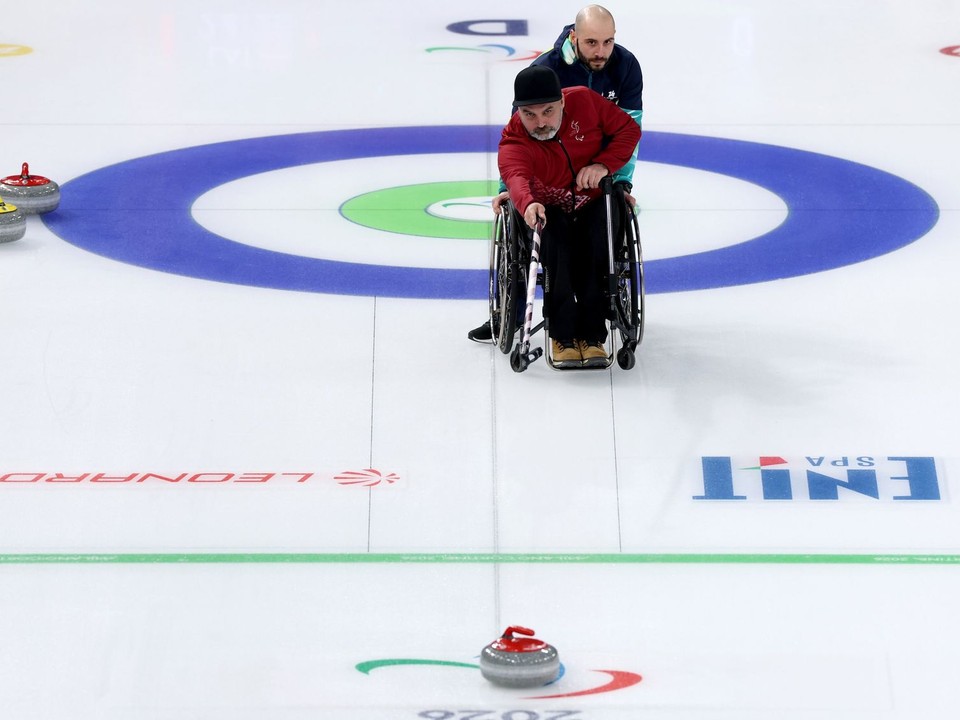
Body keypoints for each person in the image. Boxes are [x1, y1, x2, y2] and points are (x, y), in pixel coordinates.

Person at [469, 5, 643, 342]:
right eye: (592, 43)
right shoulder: (544, 72)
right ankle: (511, 313)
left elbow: (630, 127)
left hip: (596, 171)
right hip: (549, 182)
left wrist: (617, 179)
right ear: (574, 37)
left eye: (608, 42)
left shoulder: (624, 67)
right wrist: (515, 194)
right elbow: (519, 143)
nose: (601, 52)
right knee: (544, 239)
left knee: (603, 230)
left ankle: (599, 319)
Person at [497, 65, 641, 367]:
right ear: (518, 111)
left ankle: (593, 335)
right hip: (549, 207)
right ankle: (562, 335)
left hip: (593, 199)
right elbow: (515, 175)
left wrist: (603, 165)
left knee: (597, 244)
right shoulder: (513, 139)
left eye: (548, 111)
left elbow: (629, 130)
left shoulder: (585, 101)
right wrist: (527, 205)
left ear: (562, 101)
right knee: (558, 247)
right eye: (530, 115)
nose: (540, 123)